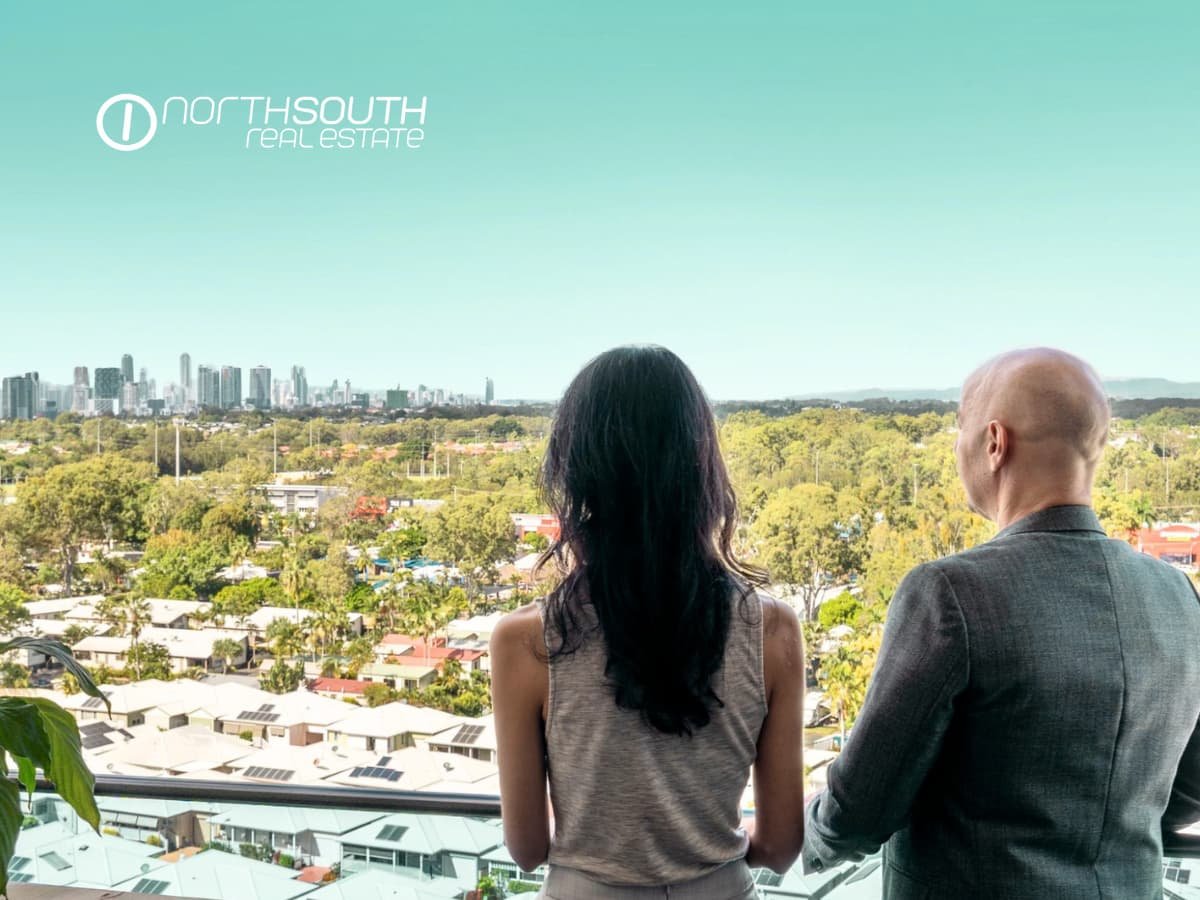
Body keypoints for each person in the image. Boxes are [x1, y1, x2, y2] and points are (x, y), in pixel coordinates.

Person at [802, 347, 1200, 898]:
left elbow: (860, 811)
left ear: (994, 442)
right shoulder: (1178, 595)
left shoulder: (950, 594)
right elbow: (1190, 788)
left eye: (959, 427)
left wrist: (797, 833)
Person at [491, 345, 806, 899]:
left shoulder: (526, 641)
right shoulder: (772, 630)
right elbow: (780, 846)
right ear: (702, 466)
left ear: (575, 471)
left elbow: (527, 847)